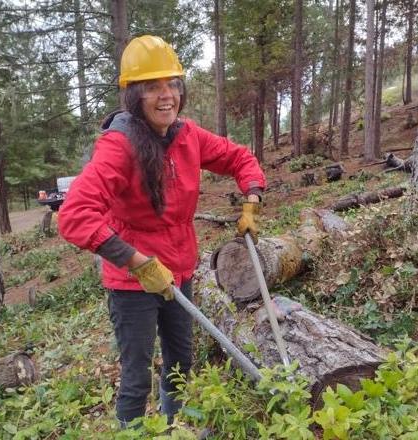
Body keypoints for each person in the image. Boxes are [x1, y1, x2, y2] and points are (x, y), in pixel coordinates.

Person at [57, 35, 266, 428]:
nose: (165, 95)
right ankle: (133, 433)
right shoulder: (119, 146)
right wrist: (136, 262)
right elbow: (75, 215)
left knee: (180, 362)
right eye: (153, 87)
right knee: (137, 375)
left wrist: (251, 196)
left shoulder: (187, 136)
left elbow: (238, 157)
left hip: (180, 269)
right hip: (133, 281)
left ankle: (175, 429)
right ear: (134, 95)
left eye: (172, 84)